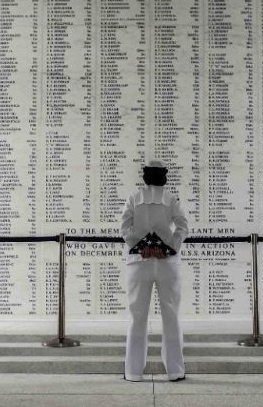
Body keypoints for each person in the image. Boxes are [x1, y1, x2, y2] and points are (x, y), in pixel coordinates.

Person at [119, 160, 189, 382]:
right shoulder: (170, 198)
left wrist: (141, 246)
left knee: (136, 317)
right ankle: (176, 371)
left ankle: (133, 372)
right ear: (163, 177)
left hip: (139, 263)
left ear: (145, 176)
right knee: (171, 316)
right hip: (167, 263)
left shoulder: (133, 197)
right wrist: (169, 248)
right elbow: (183, 227)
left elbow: (124, 228)